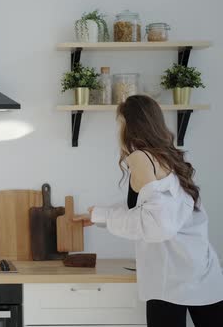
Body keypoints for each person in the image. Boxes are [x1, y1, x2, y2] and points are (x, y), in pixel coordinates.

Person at [74, 95, 223, 327]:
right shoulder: (167, 156)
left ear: (129, 125)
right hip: (201, 269)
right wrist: (98, 215)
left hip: (169, 276)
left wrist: (104, 216)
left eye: (120, 123)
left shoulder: (141, 158)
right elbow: (153, 208)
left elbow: (156, 226)